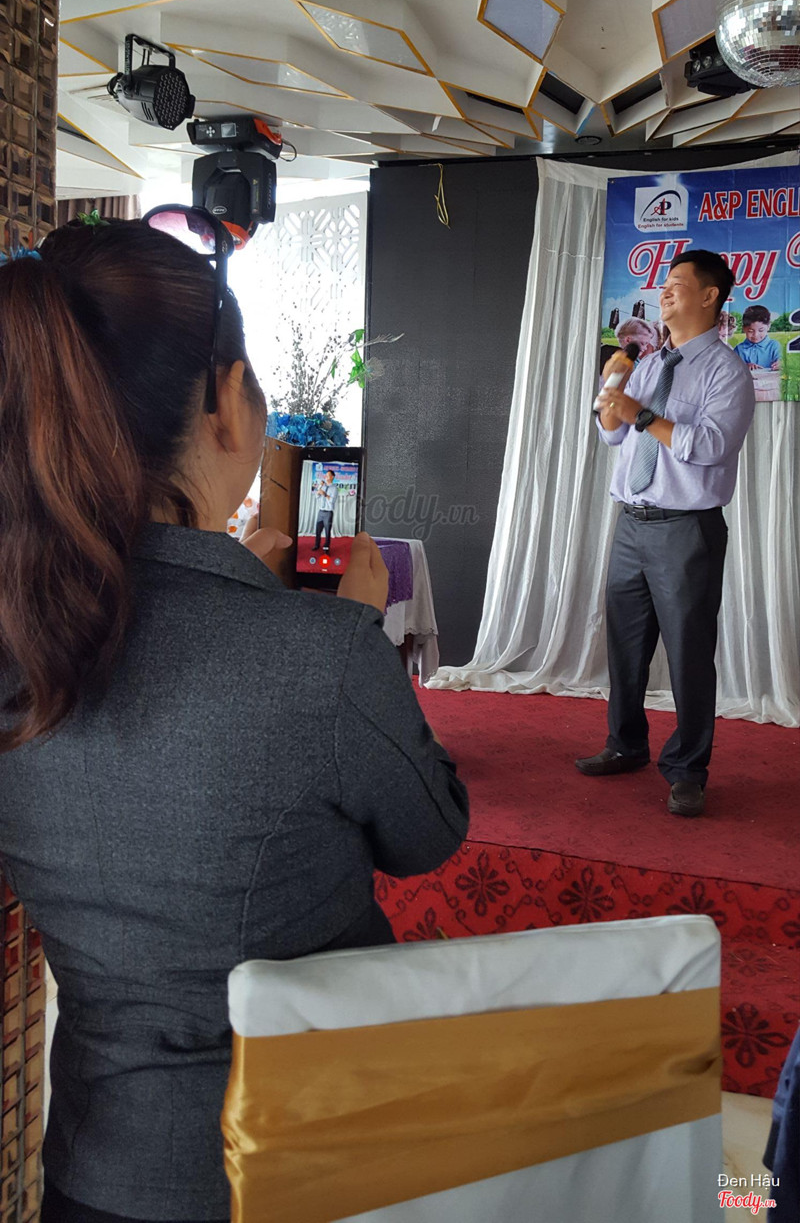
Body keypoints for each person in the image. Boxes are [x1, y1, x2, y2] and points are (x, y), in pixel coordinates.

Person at [0, 220, 469, 1223]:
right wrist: (346, 631)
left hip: (93, 1170)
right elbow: (428, 832)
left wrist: (248, 601)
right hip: (293, 1161)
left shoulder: (21, 635)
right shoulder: (323, 655)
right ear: (224, 400)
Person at [577, 250, 755, 818]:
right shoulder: (650, 363)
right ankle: (625, 744)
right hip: (631, 523)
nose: (665, 290)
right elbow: (612, 435)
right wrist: (611, 391)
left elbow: (710, 446)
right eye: (664, 283)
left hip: (686, 530)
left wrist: (638, 412)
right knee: (625, 645)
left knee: (688, 653)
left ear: (710, 295)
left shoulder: (727, 371)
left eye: (678, 282)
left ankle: (688, 770)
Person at [734, 304, 782, 371]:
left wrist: (780, 364)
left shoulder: (774, 346)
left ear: (768, 326)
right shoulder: (739, 349)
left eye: (761, 330)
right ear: (744, 329)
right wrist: (744, 366)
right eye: (751, 331)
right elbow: (732, 368)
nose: (756, 335)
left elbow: (782, 361)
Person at [312, 466, 338, 552]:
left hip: (328, 513)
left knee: (327, 532)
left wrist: (325, 494)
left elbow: (332, 500)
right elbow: (316, 497)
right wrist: (320, 487)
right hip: (320, 512)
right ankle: (317, 545)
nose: (326, 476)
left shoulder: (334, 488)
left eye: (328, 475)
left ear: (332, 477)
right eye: (325, 475)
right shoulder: (323, 486)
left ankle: (326, 548)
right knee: (318, 530)